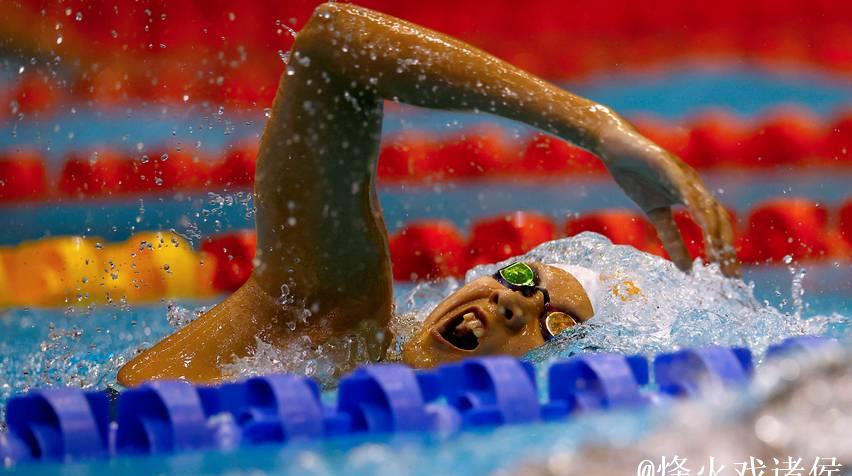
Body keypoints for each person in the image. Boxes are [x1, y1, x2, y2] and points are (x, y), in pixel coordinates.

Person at [117, 2, 739, 386]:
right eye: (519, 278)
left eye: (554, 323)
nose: (513, 305)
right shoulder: (330, 315)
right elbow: (332, 43)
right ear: (476, 278)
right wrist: (599, 130)